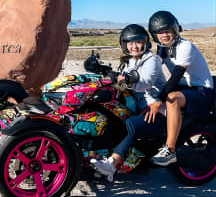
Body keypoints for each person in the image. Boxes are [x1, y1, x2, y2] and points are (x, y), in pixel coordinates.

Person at [90, 24, 166, 181]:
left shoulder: (152, 59)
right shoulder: (131, 61)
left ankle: (111, 164)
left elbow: (145, 82)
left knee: (130, 123)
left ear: (145, 42)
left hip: (155, 109)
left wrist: (127, 80)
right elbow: (121, 80)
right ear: (124, 44)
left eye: (137, 42)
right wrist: (102, 70)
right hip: (139, 105)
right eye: (130, 43)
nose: (134, 46)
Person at [148, 10, 214, 166]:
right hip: (184, 88)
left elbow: (175, 76)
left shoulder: (186, 47)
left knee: (171, 99)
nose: (164, 35)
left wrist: (159, 99)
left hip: (201, 90)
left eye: (167, 30)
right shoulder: (163, 48)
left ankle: (169, 150)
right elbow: (154, 69)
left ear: (175, 29)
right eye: (159, 32)